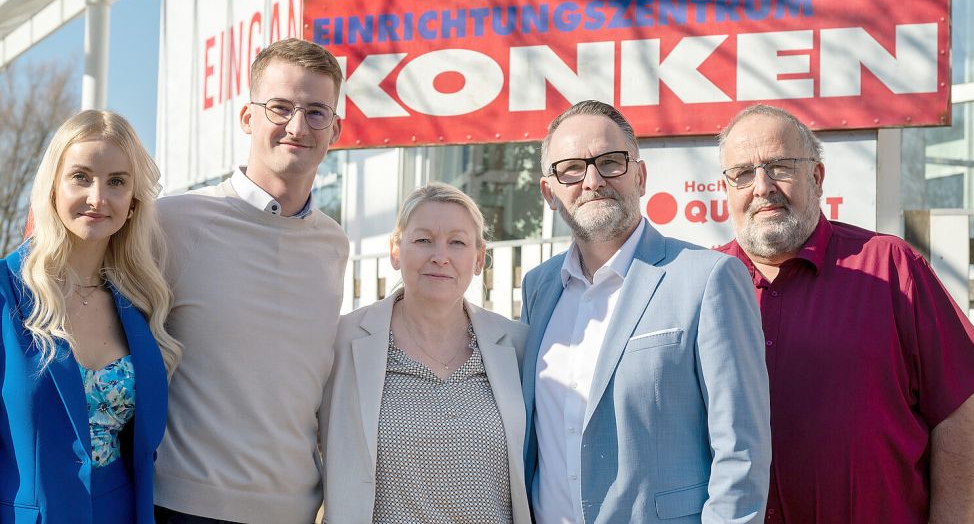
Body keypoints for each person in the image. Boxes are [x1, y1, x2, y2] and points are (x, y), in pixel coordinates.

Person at [716, 103, 974, 523]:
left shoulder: (891, 267)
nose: (762, 186)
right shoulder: (704, 283)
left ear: (817, 177)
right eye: (743, 174)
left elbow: (959, 415)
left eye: (780, 167)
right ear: (727, 188)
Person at [520, 100, 771, 524]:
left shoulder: (708, 278)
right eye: (571, 169)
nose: (593, 181)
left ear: (640, 175)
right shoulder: (538, 288)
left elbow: (741, 452)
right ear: (549, 192)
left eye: (610, 162)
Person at [152, 38, 349, 523]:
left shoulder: (333, 244)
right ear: (247, 118)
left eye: (316, 112)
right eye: (280, 108)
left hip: (296, 511)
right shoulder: (173, 222)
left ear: (335, 129)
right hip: (183, 506)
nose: (297, 127)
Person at [0, 110, 179, 524]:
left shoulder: (142, 303)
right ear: (52, 189)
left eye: (116, 181)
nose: (98, 197)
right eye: (81, 177)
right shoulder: (6, 291)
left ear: (133, 201)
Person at [322, 182, 532, 523]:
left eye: (457, 242)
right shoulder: (343, 341)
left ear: (479, 259)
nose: (440, 255)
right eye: (423, 240)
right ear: (395, 250)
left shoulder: (518, 347)